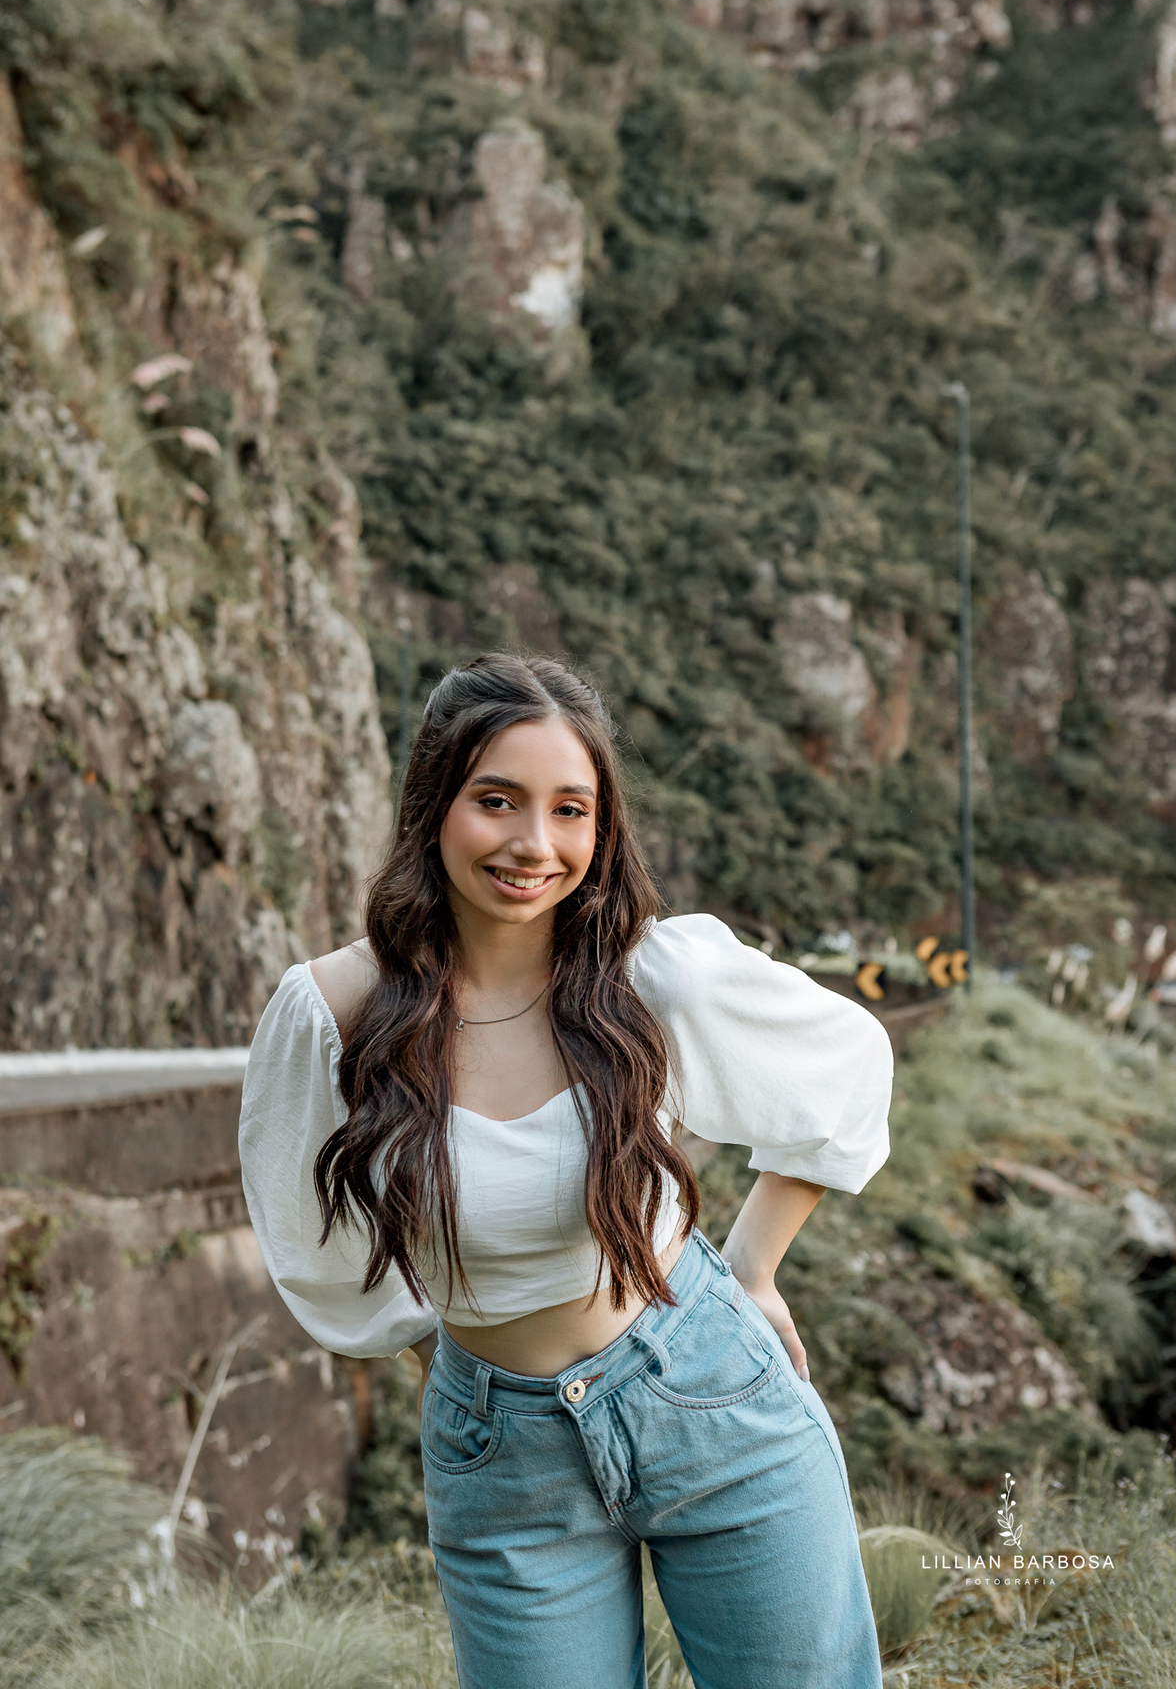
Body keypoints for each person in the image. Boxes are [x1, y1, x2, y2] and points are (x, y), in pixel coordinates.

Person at [240, 652, 894, 1689]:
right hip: (504, 1464)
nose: (534, 845)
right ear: (433, 804)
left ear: (601, 827)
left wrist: (755, 1269)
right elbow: (312, 1243)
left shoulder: (652, 979)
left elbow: (845, 1067)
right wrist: (463, 1362)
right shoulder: (335, 1016)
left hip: (713, 1401)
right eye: (497, 800)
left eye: (571, 810)